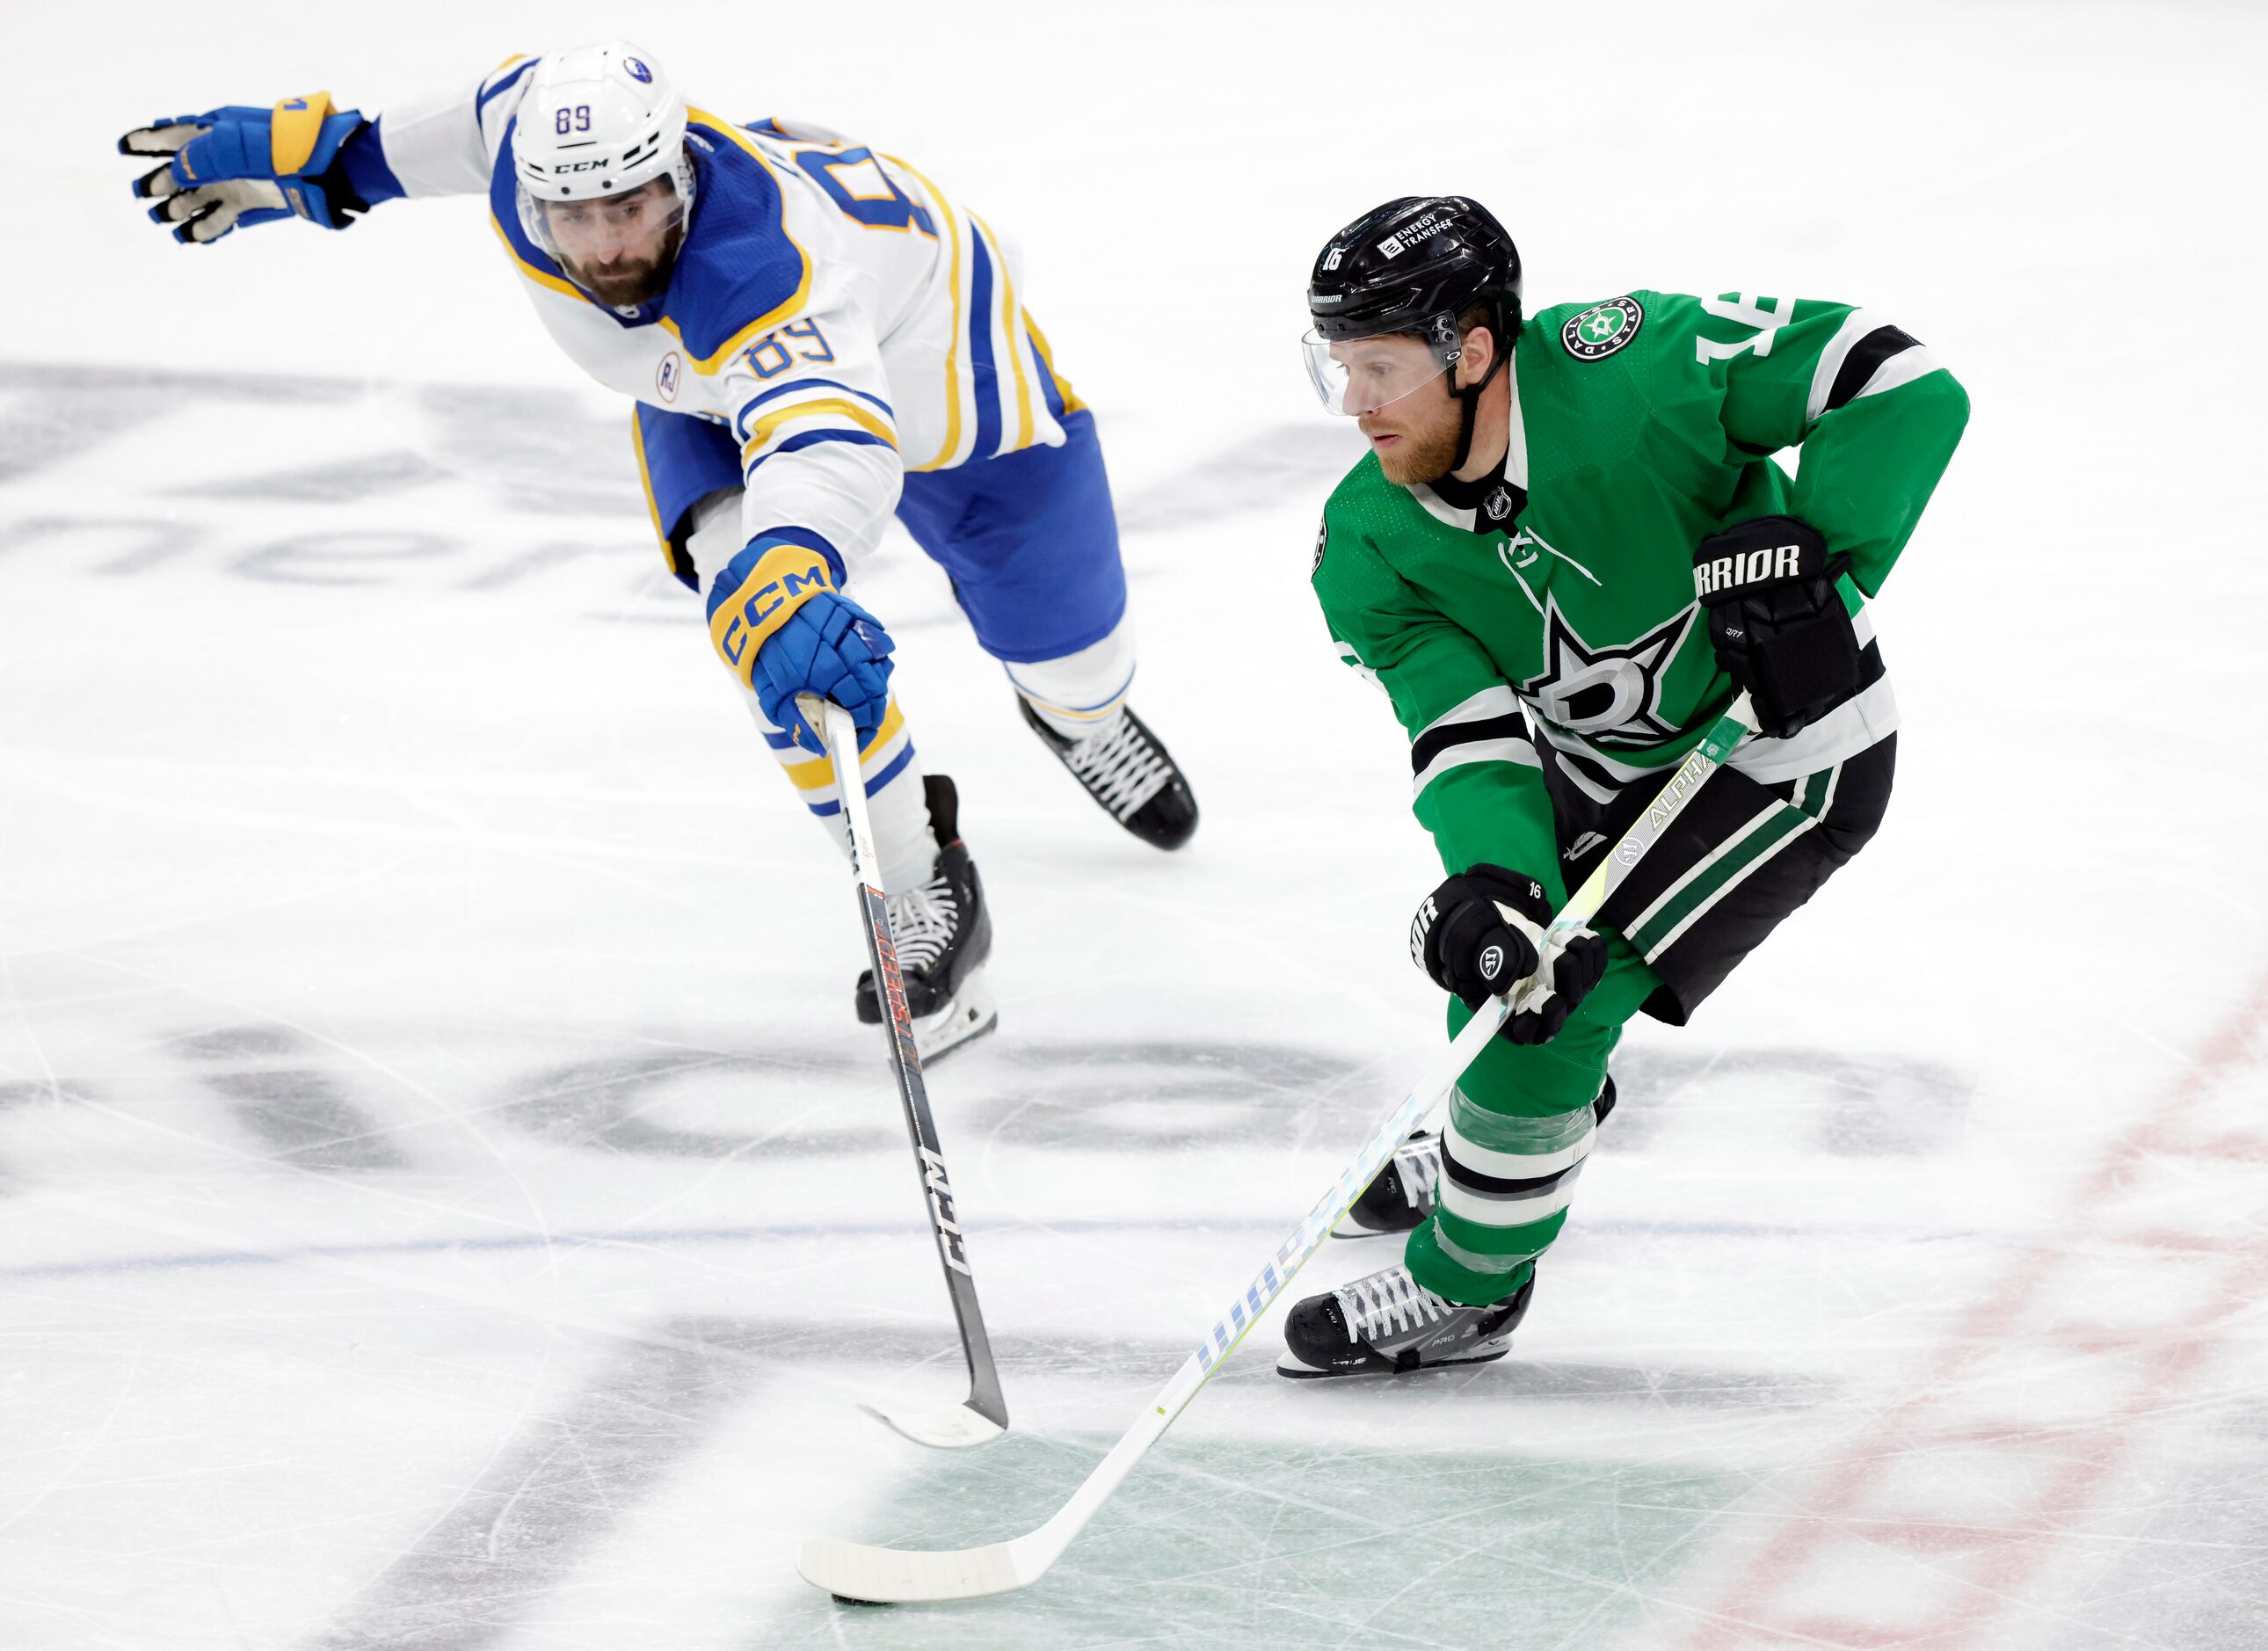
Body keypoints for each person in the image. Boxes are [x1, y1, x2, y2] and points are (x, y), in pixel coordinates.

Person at [117, 42, 1199, 1060]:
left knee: (1072, 658)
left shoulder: (772, 274)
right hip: (703, 378)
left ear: (676, 178)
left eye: (630, 209)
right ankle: (925, 892)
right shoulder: (524, 137)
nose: (603, 248)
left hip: (947, 384)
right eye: (570, 216)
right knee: (762, 627)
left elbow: (832, 438)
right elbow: (449, 137)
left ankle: (1077, 717)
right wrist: (339, 163)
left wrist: (797, 557)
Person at [1279, 196, 1966, 1378]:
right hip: (1601, 768)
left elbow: (1897, 377)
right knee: (1509, 974)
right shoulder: (1369, 545)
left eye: (1383, 366)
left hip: (1780, 755)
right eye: (1342, 367)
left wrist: (1826, 577)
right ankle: (1515, 1135)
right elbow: (1469, 732)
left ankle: (1469, 1287)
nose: (1357, 404)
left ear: (1477, 346)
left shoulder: (1634, 368)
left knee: (1535, 1032)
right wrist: (1496, 878)